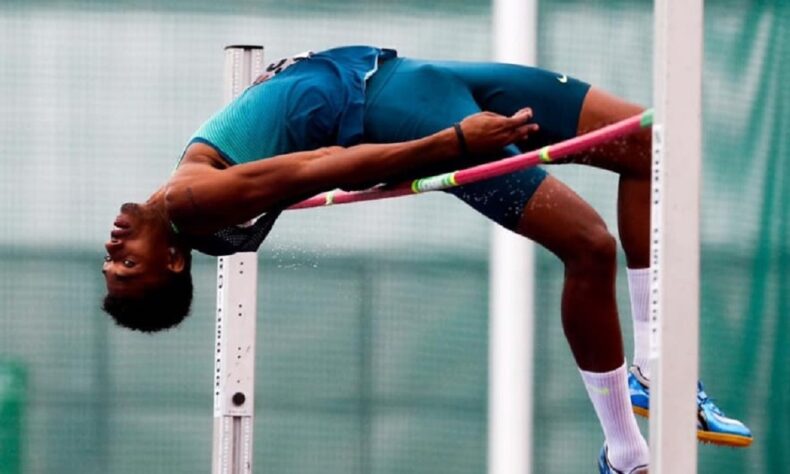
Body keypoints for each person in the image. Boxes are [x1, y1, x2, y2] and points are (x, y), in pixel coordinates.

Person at [100, 46, 751, 472]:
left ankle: (649, 372)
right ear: (175, 263)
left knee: (649, 146)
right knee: (588, 244)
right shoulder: (191, 203)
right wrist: (453, 142)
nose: (112, 248)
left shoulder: (192, 212)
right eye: (129, 266)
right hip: (398, 109)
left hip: (407, 75)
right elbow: (317, 165)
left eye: (111, 264)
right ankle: (627, 454)